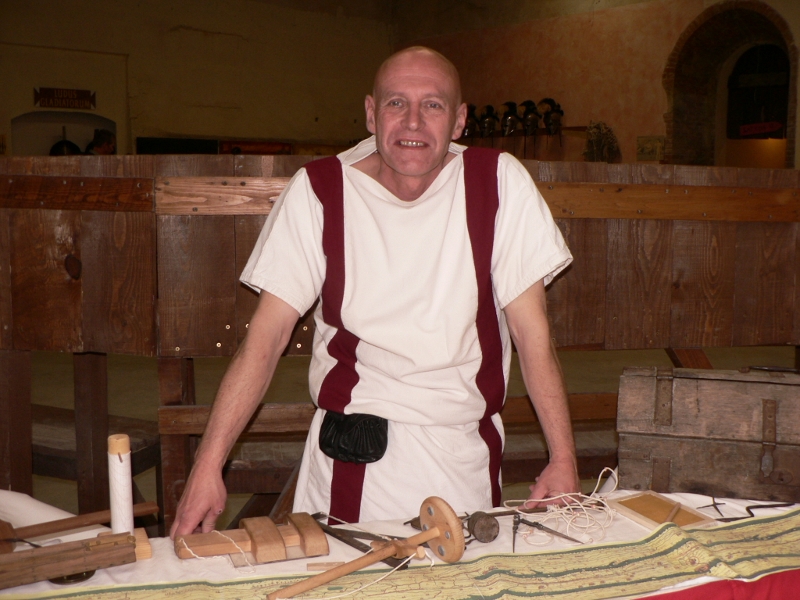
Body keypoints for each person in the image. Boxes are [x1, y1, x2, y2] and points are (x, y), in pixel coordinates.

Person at [170, 46, 579, 538]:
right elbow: (266, 338)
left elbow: (532, 335)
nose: (412, 121)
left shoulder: (498, 183)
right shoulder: (320, 190)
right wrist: (208, 465)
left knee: (460, 576)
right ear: (371, 113)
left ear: (459, 120)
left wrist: (563, 459)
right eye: (395, 103)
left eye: (432, 104)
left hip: (462, 456)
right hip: (350, 464)